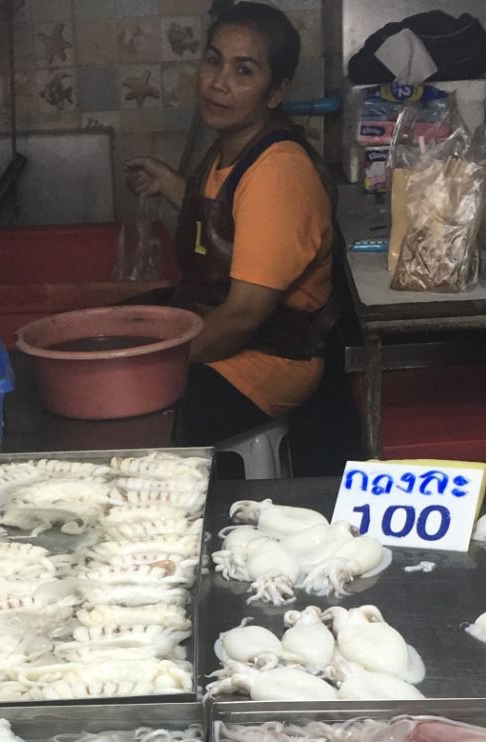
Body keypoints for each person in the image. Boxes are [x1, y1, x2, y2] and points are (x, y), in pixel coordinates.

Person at [125, 1, 337, 449]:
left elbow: (243, 317)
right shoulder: (232, 147)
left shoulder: (278, 171)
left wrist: (153, 364)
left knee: (132, 411)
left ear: (275, 93)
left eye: (244, 71)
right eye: (213, 61)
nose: (218, 82)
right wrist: (170, 185)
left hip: (266, 361)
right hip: (221, 335)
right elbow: (231, 220)